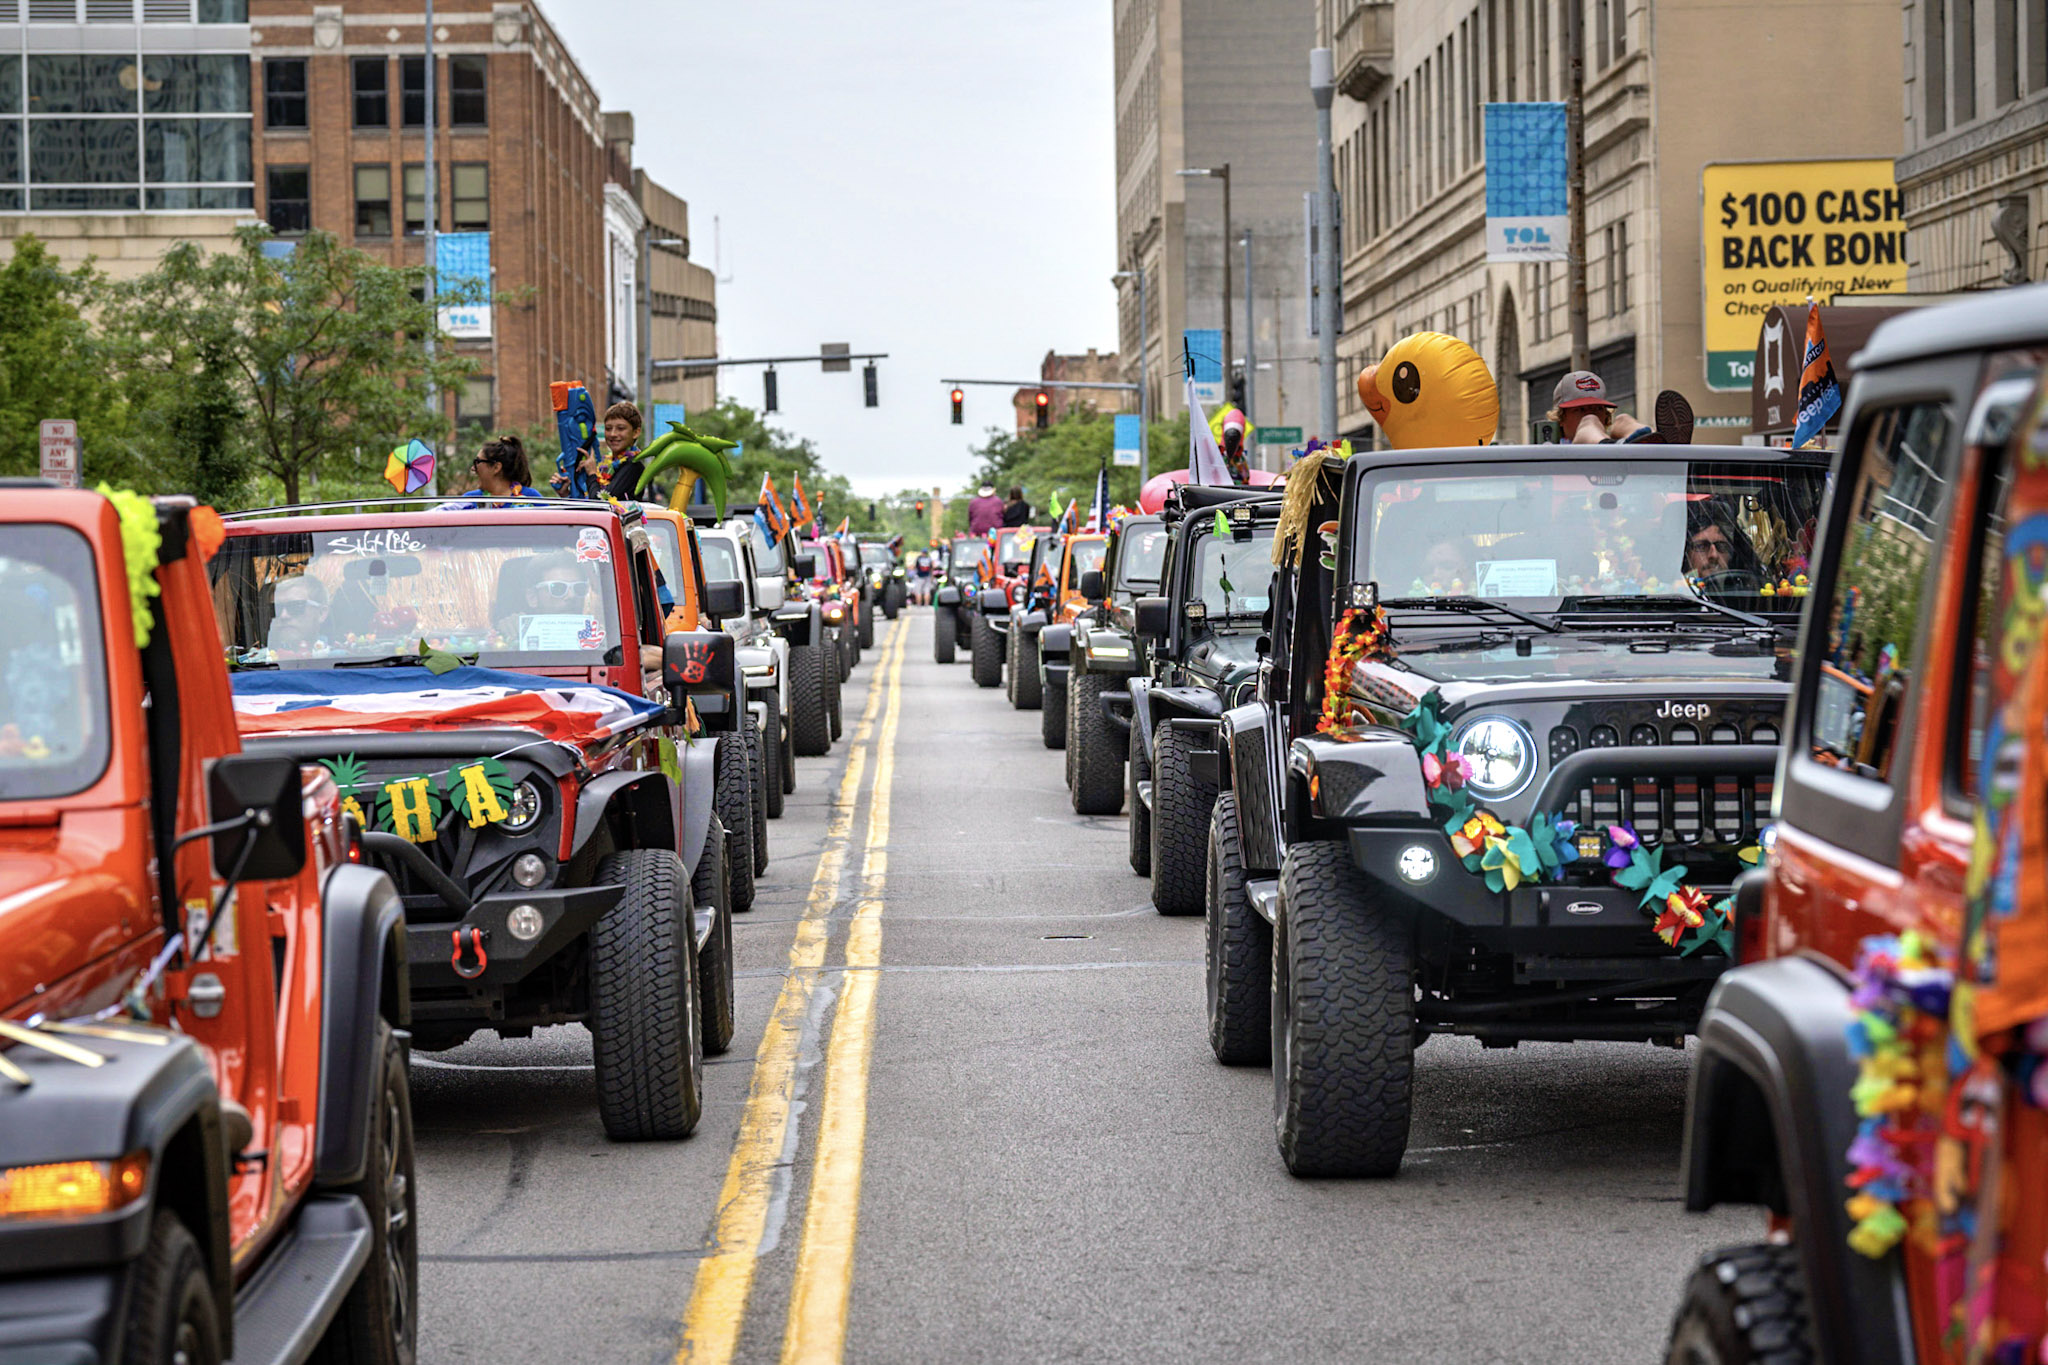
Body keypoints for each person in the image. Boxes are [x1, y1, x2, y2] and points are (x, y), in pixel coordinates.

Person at [453, 435, 545, 508]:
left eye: (478, 462)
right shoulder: (470, 502)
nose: (473, 468)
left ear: (496, 467)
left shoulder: (532, 500)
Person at [269, 575, 330, 653]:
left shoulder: (341, 658)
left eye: (296, 606)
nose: (284, 615)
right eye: (276, 608)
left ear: (321, 613)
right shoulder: (257, 661)